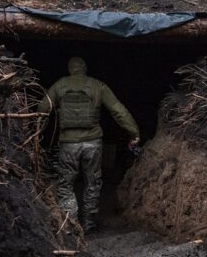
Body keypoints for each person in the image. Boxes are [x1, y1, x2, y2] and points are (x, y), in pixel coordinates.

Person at [37, 56, 140, 233]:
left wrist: (37, 134)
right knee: (92, 182)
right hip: (93, 143)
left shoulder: (60, 85)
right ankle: (89, 223)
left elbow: (42, 109)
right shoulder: (97, 85)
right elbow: (118, 110)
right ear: (84, 68)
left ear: (70, 69)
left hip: (68, 144)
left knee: (66, 184)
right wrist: (134, 132)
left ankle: (71, 223)